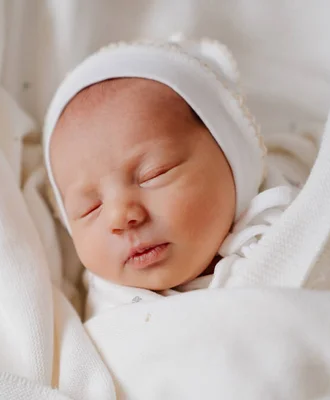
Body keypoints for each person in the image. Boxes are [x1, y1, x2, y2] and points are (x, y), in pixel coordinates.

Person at [43, 38, 313, 319]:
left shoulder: (292, 213)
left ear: (233, 152)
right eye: (89, 208)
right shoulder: (110, 315)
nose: (121, 216)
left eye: (153, 174)